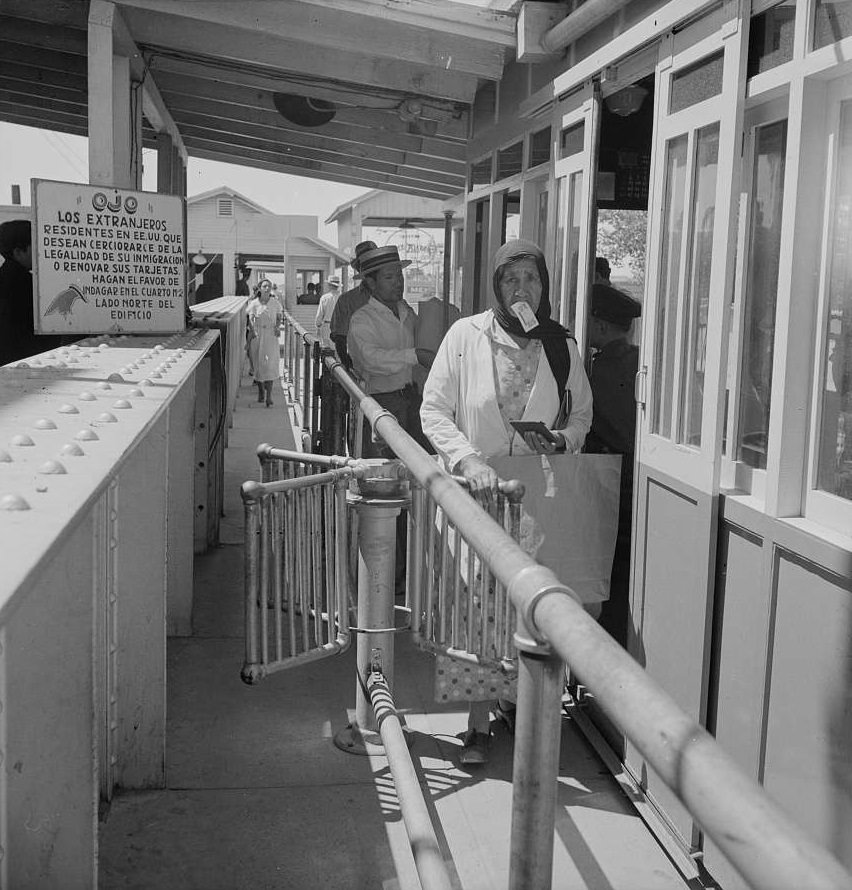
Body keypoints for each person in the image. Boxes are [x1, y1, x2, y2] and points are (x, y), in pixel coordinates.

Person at [420, 238, 593, 765]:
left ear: (544, 285)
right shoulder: (464, 336)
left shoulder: (560, 345)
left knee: (530, 603)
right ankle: (476, 722)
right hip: (479, 494)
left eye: (531, 279)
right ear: (496, 286)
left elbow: (581, 415)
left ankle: (519, 705)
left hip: (537, 495)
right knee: (478, 604)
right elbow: (433, 410)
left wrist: (562, 440)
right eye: (511, 279)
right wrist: (467, 459)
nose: (522, 289)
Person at [585, 282, 641, 649]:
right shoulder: (638, 362)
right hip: (634, 483)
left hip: (609, 484)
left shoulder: (599, 371)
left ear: (601, 326)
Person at [347, 245, 434, 457]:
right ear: (371, 283)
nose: (398, 282)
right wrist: (416, 355)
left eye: (399, 275)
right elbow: (371, 359)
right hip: (382, 404)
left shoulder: (407, 312)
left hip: (413, 400)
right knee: (387, 468)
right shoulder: (362, 319)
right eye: (389, 277)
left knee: (420, 462)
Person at [0, 219, 65, 365]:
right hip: (28, 362)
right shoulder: (31, 286)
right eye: (36, 245)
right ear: (18, 252)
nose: (41, 251)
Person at [330, 240, 377, 367]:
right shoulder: (346, 301)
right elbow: (340, 338)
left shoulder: (394, 299)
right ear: (360, 269)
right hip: (359, 368)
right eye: (366, 264)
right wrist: (348, 367)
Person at [247, 278, 283, 407]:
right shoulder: (254, 303)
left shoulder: (275, 303)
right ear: (260, 288)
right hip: (258, 335)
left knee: (270, 364)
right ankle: (261, 391)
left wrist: (277, 327)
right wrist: (253, 331)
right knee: (258, 365)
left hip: (270, 335)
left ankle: (269, 396)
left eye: (269, 286)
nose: (267, 288)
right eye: (264, 286)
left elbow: (279, 316)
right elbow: (250, 319)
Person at [314, 275, 341, 348]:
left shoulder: (324, 298)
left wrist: (318, 326)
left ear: (330, 285)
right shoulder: (343, 297)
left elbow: (319, 315)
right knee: (339, 350)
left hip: (327, 326)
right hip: (340, 327)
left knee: (327, 350)